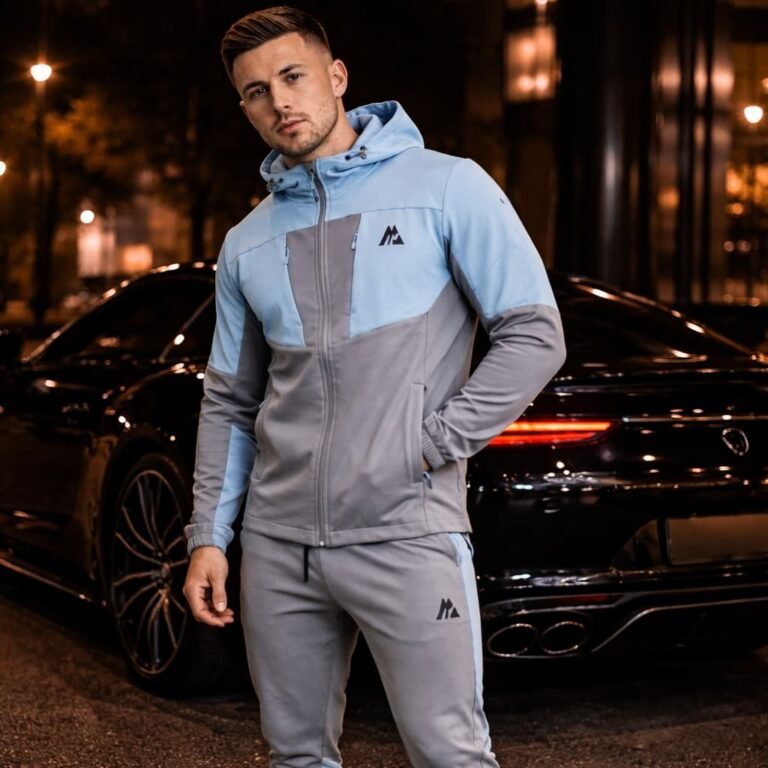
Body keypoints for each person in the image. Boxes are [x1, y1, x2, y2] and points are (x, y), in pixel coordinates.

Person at [183, 6, 566, 767]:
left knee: (449, 755)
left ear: (337, 77)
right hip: (278, 545)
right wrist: (209, 539)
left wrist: (427, 446)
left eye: (293, 76)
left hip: (404, 529)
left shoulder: (447, 186)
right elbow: (229, 400)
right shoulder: (246, 241)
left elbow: (535, 336)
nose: (279, 101)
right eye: (256, 91)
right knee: (295, 757)